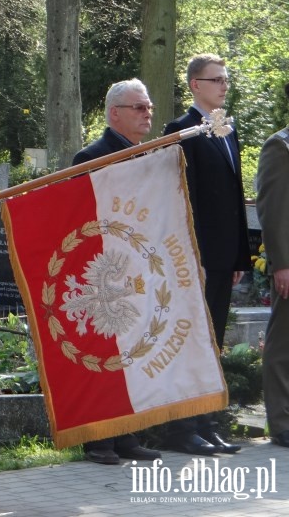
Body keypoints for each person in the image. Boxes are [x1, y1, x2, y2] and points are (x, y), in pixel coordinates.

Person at [72, 79, 163, 465]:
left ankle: (127, 434)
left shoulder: (147, 155)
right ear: (115, 114)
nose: (148, 114)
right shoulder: (90, 157)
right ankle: (97, 439)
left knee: (132, 352)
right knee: (104, 354)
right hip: (103, 272)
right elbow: (80, 218)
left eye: (149, 108)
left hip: (136, 266)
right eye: (139, 108)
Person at [163, 53, 248, 455]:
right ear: (196, 85)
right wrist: (191, 256)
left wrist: (239, 257)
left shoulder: (227, 129)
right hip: (195, 259)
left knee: (211, 342)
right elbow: (185, 198)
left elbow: (233, 195)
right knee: (191, 340)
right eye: (217, 80)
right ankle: (182, 429)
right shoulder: (180, 131)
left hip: (222, 256)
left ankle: (208, 422)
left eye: (226, 80)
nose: (224, 86)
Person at [255, 83, 289, 449]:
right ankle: (281, 422)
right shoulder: (280, 146)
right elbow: (273, 209)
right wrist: (282, 263)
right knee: (283, 343)